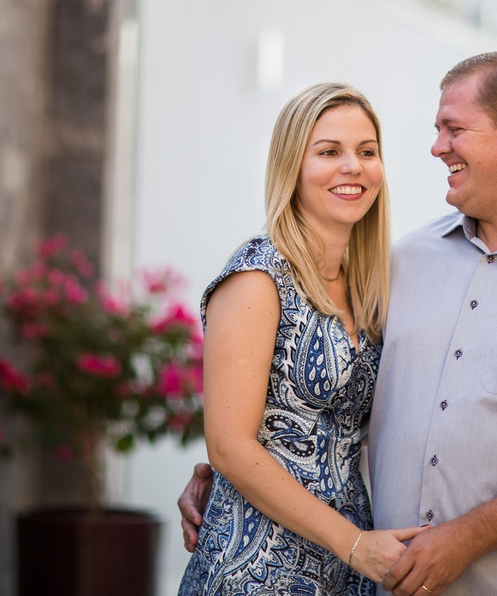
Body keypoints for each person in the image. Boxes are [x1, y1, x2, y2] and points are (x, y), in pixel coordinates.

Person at [181, 53, 497, 596]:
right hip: (353, 579)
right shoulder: (403, 263)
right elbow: (301, 408)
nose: (437, 147)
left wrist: (467, 537)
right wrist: (230, 474)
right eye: (329, 151)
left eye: (453, 129)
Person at [177, 83, 428, 596]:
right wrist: (355, 544)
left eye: (367, 152)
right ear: (292, 166)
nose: (353, 167)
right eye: (329, 152)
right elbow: (229, 446)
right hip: (256, 569)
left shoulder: (370, 285)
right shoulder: (257, 277)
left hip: (345, 573)